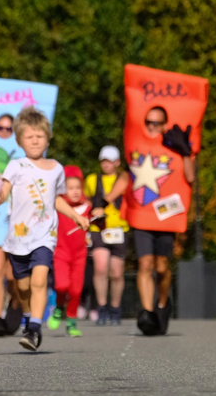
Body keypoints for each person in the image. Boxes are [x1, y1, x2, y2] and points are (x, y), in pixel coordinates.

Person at [0, 106, 91, 351]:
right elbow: (4, 192)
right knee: (22, 287)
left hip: (45, 236)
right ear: (19, 140)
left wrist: (76, 216)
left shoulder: (56, 168)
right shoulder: (16, 166)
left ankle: (34, 328)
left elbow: (56, 199)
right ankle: (28, 316)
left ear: (48, 137)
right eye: (29, 136)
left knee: (39, 281)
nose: (35, 141)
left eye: (39, 136)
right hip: (18, 238)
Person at [103, 105, 195, 335]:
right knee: (145, 264)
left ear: (164, 125)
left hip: (165, 217)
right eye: (148, 122)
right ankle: (147, 312)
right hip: (142, 215)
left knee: (162, 267)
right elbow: (127, 175)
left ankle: (162, 304)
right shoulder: (136, 146)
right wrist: (106, 200)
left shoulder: (174, 147)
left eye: (156, 123)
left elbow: (190, 177)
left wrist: (185, 152)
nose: (152, 127)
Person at [0, 112, 25, 336]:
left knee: (13, 275)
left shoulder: (23, 156)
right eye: (0, 128)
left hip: (16, 218)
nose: (4, 132)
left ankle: (16, 304)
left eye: (9, 129)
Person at [85, 145, 127, 325]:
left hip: (120, 229)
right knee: (100, 268)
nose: (106, 164)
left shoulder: (124, 180)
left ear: (117, 162)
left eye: (110, 161)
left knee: (116, 273)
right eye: (103, 161)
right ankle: (101, 307)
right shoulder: (92, 180)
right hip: (98, 229)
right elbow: (86, 200)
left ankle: (115, 308)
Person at [50, 165, 90, 337]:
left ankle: (71, 323)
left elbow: (97, 225)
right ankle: (59, 306)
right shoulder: (58, 206)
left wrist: (99, 218)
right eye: (70, 187)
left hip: (80, 255)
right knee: (61, 285)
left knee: (76, 291)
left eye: (78, 187)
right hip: (61, 253)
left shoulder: (87, 206)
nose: (75, 191)